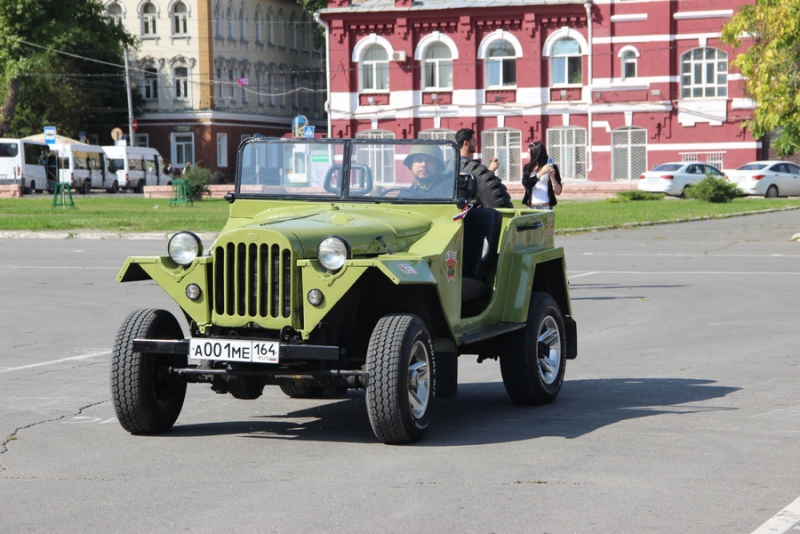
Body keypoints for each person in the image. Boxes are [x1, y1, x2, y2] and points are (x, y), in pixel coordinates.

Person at [522, 141, 562, 209]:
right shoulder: (528, 168)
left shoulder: (552, 167)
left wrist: (552, 177)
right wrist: (541, 173)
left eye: (529, 153)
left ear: (536, 154)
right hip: (532, 206)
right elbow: (526, 184)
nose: (527, 155)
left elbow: (558, 192)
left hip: (546, 206)